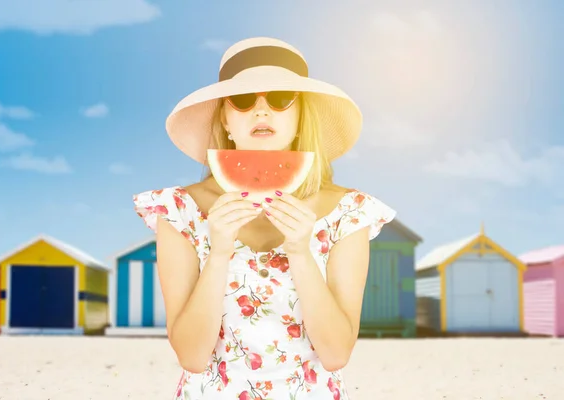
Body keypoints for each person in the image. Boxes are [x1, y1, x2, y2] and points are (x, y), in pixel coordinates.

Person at [133, 37, 396, 400]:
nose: (261, 111)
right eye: (242, 100)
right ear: (224, 118)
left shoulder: (348, 213)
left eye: (280, 98)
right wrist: (219, 252)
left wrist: (302, 253)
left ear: (301, 115)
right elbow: (192, 357)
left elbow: (336, 355)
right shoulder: (179, 211)